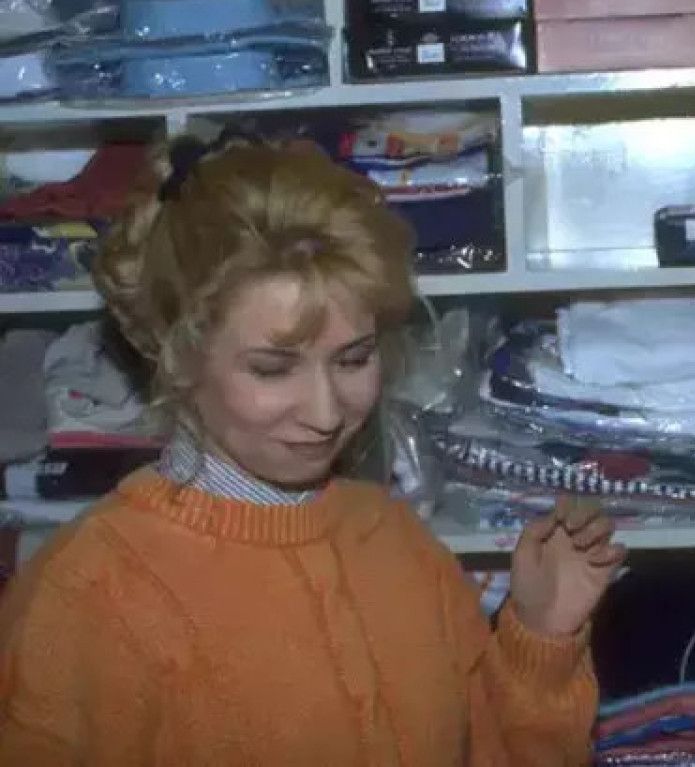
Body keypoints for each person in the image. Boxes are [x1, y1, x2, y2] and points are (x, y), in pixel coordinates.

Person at [0, 134, 626, 765]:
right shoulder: (85, 593)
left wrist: (540, 638)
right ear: (178, 357)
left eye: (353, 359)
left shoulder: (396, 540)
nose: (327, 414)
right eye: (273, 369)